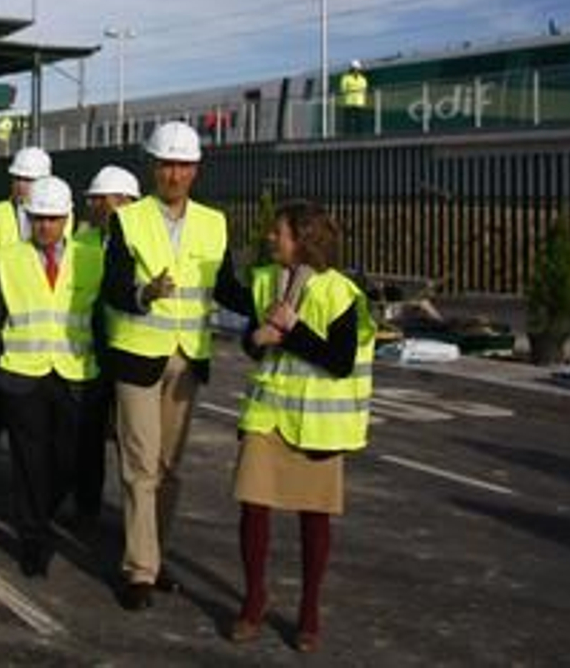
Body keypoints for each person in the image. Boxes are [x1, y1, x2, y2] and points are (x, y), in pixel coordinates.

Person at [102, 121, 254, 611]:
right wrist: (145, 293)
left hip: (188, 357)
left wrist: (265, 305)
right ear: (153, 166)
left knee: (169, 470)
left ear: (196, 170)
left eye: (183, 165)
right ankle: (139, 570)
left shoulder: (214, 223)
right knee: (140, 465)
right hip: (138, 354)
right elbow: (112, 288)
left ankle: (155, 556)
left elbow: (226, 288)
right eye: (166, 164)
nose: (174, 173)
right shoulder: (127, 220)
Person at [231, 201, 374, 652]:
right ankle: (254, 602)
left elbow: (340, 359)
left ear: (303, 240)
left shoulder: (340, 293)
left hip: (316, 426)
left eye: (280, 233)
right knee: (252, 507)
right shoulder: (266, 281)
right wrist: (258, 338)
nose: (271, 238)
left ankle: (309, 613)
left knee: (314, 519)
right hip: (267, 417)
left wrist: (291, 332)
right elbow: (254, 340)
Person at [0, 176, 105, 578]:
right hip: (22, 374)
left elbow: (101, 318)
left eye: (52, 219)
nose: (45, 226)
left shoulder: (92, 257)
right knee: (28, 461)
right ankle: (33, 541)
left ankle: (42, 514)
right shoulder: (8, 257)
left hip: (74, 371)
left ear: (68, 218)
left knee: (66, 460)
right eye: (38, 219)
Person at [0, 146, 54, 489]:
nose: (23, 186)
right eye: (18, 178)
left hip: (41, 330)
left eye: (30, 180)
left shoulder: (63, 217)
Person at [71, 164, 140, 522]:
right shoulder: (80, 241)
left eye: (102, 199)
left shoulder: (138, 240)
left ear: (127, 202)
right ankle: (87, 506)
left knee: (133, 444)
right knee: (87, 437)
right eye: (93, 199)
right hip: (92, 352)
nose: (95, 206)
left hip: (132, 350)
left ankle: (134, 518)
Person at [339, 61, 369, 136]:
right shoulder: (345, 78)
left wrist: (352, 89)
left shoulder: (363, 79)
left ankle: (360, 135)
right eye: (354, 68)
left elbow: (364, 89)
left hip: (359, 102)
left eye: (357, 68)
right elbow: (343, 89)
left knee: (360, 120)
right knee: (348, 121)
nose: (356, 70)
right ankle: (347, 136)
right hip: (349, 102)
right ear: (351, 69)